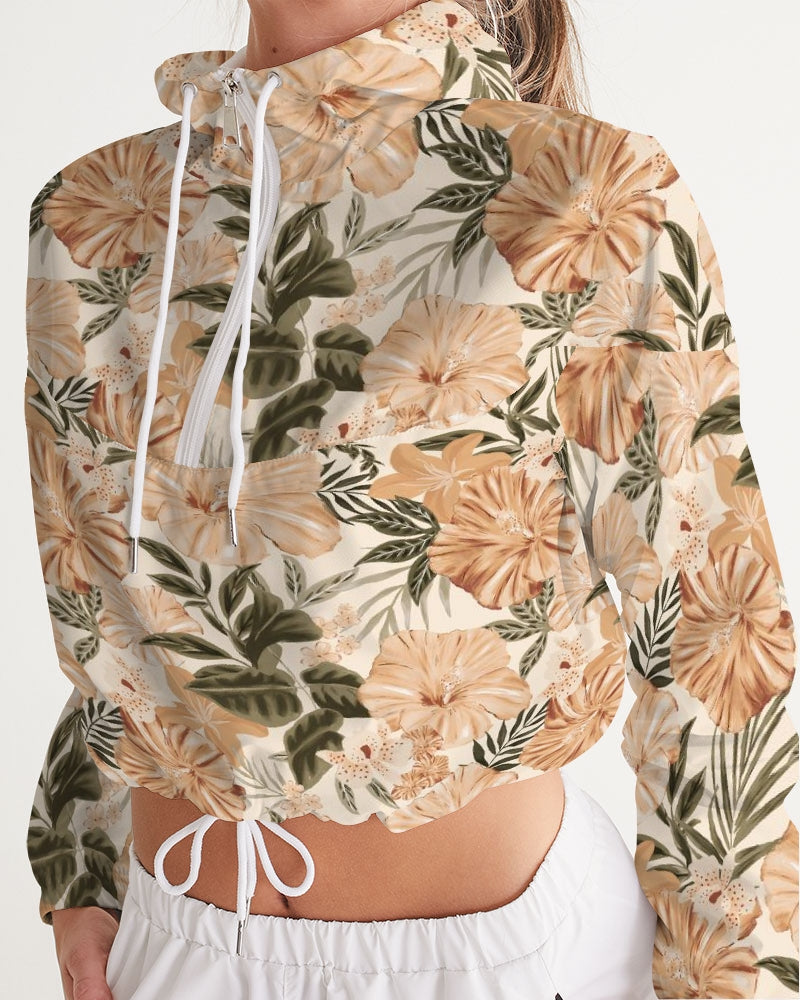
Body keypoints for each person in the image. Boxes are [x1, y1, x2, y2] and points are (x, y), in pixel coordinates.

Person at [23, 0, 799, 997]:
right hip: (172, 944)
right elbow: (115, 609)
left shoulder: (586, 195)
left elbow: (711, 631)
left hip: (492, 960)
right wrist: (80, 859)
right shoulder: (92, 218)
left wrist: (729, 982)